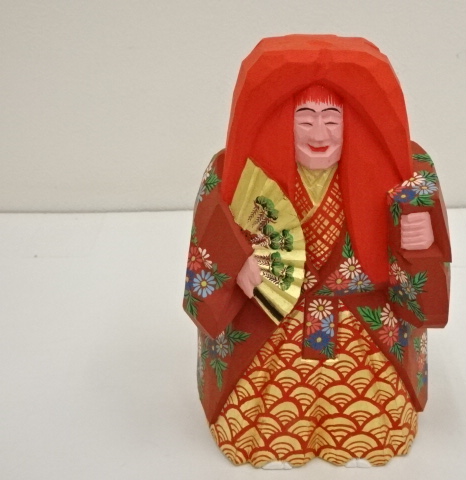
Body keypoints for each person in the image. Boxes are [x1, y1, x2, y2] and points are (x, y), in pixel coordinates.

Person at [183, 35, 451, 468]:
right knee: (262, 416)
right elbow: (211, 227)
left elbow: (422, 252)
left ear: (354, 121)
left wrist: (418, 242)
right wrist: (239, 259)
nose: (319, 134)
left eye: (332, 119)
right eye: (304, 119)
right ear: (281, 121)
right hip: (274, 320)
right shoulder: (235, 173)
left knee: (371, 413)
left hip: (361, 322)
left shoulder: (404, 174)